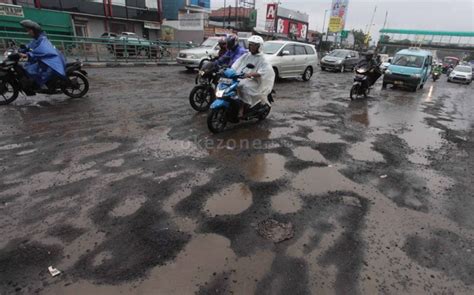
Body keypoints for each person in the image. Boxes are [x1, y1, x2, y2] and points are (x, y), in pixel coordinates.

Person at [231, 35, 275, 118]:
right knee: (233, 85)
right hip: (243, 78)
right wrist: (230, 70)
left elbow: (264, 71)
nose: (251, 47)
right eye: (250, 44)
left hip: (256, 81)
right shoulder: (246, 55)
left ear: (259, 47)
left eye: (253, 45)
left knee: (243, 86)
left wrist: (250, 74)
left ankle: (242, 108)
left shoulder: (263, 59)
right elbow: (237, 63)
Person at [18, 20, 66, 90]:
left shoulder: (42, 40)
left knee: (31, 70)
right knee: (26, 66)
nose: (27, 33)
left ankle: (42, 85)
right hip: (43, 60)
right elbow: (30, 46)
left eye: (29, 31)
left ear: (34, 30)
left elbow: (39, 52)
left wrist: (26, 55)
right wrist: (21, 50)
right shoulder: (36, 39)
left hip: (50, 62)